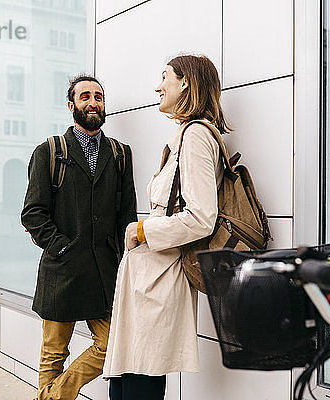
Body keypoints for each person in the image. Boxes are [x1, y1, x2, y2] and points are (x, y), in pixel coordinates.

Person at [103, 55, 231, 400]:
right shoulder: (184, 138)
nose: (158, 86)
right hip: (151, 277)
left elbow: (202, 217)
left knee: (136, 385)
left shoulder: (196, 137)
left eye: (165, 77)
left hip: (160, 279)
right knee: (133, 380)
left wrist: (142, 231)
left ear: (185, 82)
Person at [21, 75, 137, 400]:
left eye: (98, 97)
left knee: (113, 343)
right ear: (71, 105)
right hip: (62, 271)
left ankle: (49, 397)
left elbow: (127, 217)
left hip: (104, 273)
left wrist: (127, 260)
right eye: (85, 96)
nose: (93, 102)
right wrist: (61, 247)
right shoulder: (50, 151)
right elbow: (32, 213)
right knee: (54, 353)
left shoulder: (120, 154)